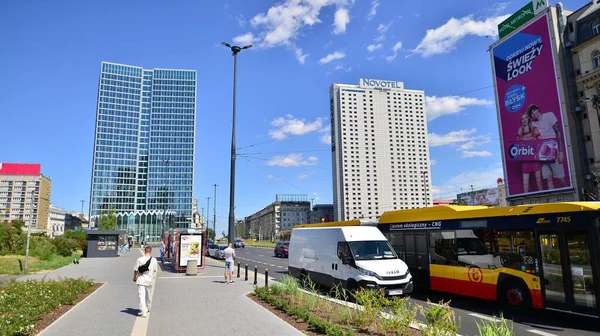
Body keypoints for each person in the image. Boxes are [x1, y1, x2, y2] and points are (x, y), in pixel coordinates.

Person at [527, 104, 566, 190]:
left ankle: (568, 196)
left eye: (534, 111)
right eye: (531, 114)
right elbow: (534, 137)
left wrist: (561, 151)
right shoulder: (533, 124)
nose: (534, 114)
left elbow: (558, 132)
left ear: (538, 109)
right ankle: (553, 199)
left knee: (561, 177)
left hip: (554, 150)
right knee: (548, 178)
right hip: (542, 153)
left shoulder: (549, 115)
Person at [517, 111, 543, 193]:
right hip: (525, 159)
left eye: (525, 118)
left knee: (539, 182)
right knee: (525, 184)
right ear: (521, 120)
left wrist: (533, 140)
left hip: (534, 158)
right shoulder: (520, 131)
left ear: (528, 119)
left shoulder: (533, 128)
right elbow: (516, 145)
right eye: (522, 119)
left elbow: (540, 140)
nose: (524, 120)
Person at [133, 245, 158, 318]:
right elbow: (155, 270)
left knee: (141, 296)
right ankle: (148, 308)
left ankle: (143, 312)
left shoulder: (139, 259)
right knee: (148, 296)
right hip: (149, 280)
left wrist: (134, 277)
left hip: (141, 279)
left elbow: (135, 269)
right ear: (151, 251)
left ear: (144, 251)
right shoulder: (154, 260)